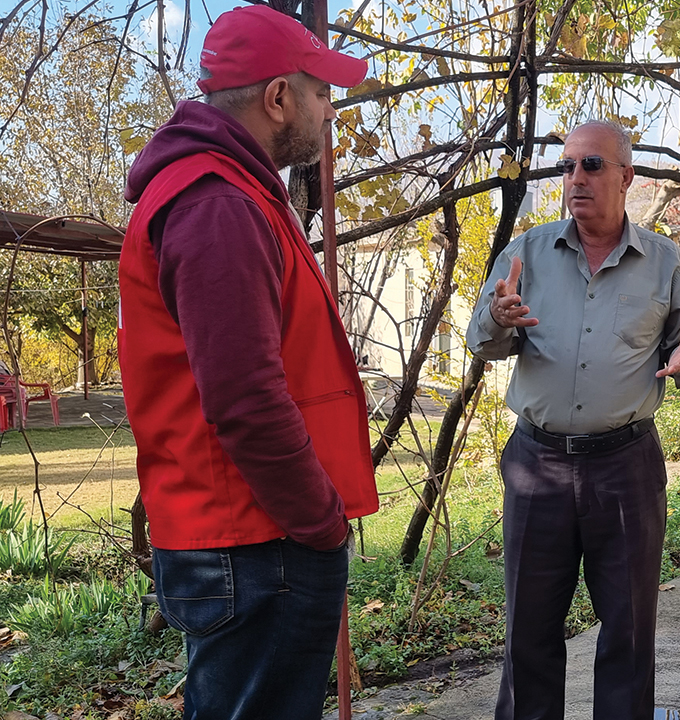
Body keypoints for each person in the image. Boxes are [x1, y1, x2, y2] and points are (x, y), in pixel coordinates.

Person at [117, 6, 378, 718]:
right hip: (255, 543)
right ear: (278, 98)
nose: (331, 110)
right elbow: (245, 398)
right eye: (322, 93)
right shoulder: (217, 204)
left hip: (251, 540)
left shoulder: (230, 192)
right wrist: (320, 523)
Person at [466, 120, 680, 720]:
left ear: (626, 177)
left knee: (628, 635)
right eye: (568, 166)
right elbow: (483, 341)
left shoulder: (664, 263)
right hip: (537, 466)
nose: (577, 179)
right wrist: (498, 318)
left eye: (593, 166)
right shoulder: (527, 253)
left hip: (625, 468)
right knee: (528, 634)